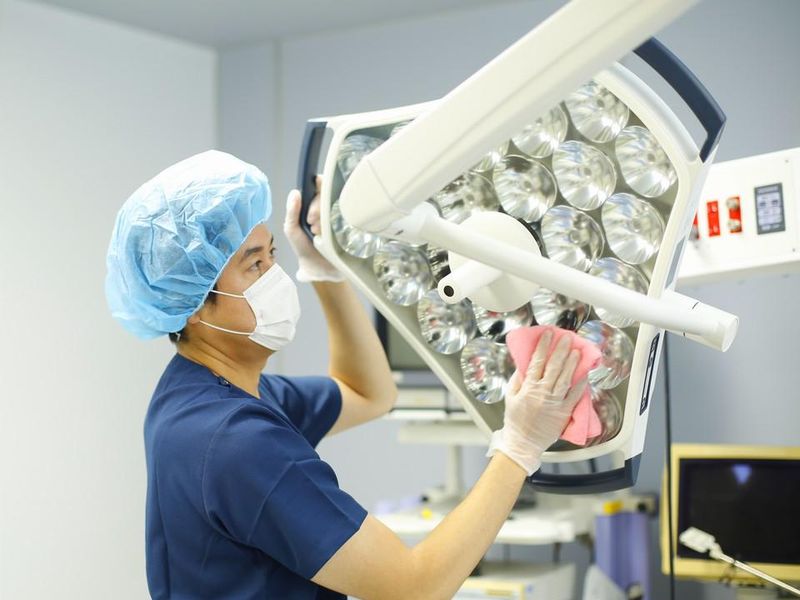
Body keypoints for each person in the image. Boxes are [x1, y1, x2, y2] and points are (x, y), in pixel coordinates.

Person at [106, 150, 587, 600]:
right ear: (193, 304)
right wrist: (518, 447)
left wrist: (327, 273)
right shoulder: (236, 440)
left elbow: (369, 393)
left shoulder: (202, 393)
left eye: (273, 255)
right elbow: (413, 587)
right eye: (254, 266)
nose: (275, 276)